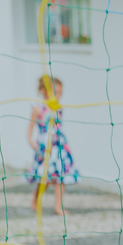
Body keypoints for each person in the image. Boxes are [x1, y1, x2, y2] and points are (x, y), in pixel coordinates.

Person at [26, 75, 79, 215]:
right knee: (46, 179)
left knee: (61, 177)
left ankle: (58, 206)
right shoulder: (38, 108)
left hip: (59, 145)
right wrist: (30, 141)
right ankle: (36, 198)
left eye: (61, 93)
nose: (58, 96)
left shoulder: (59, 108)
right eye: (56, 92)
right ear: (44, 91)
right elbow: (31, 126)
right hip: (45, 146)